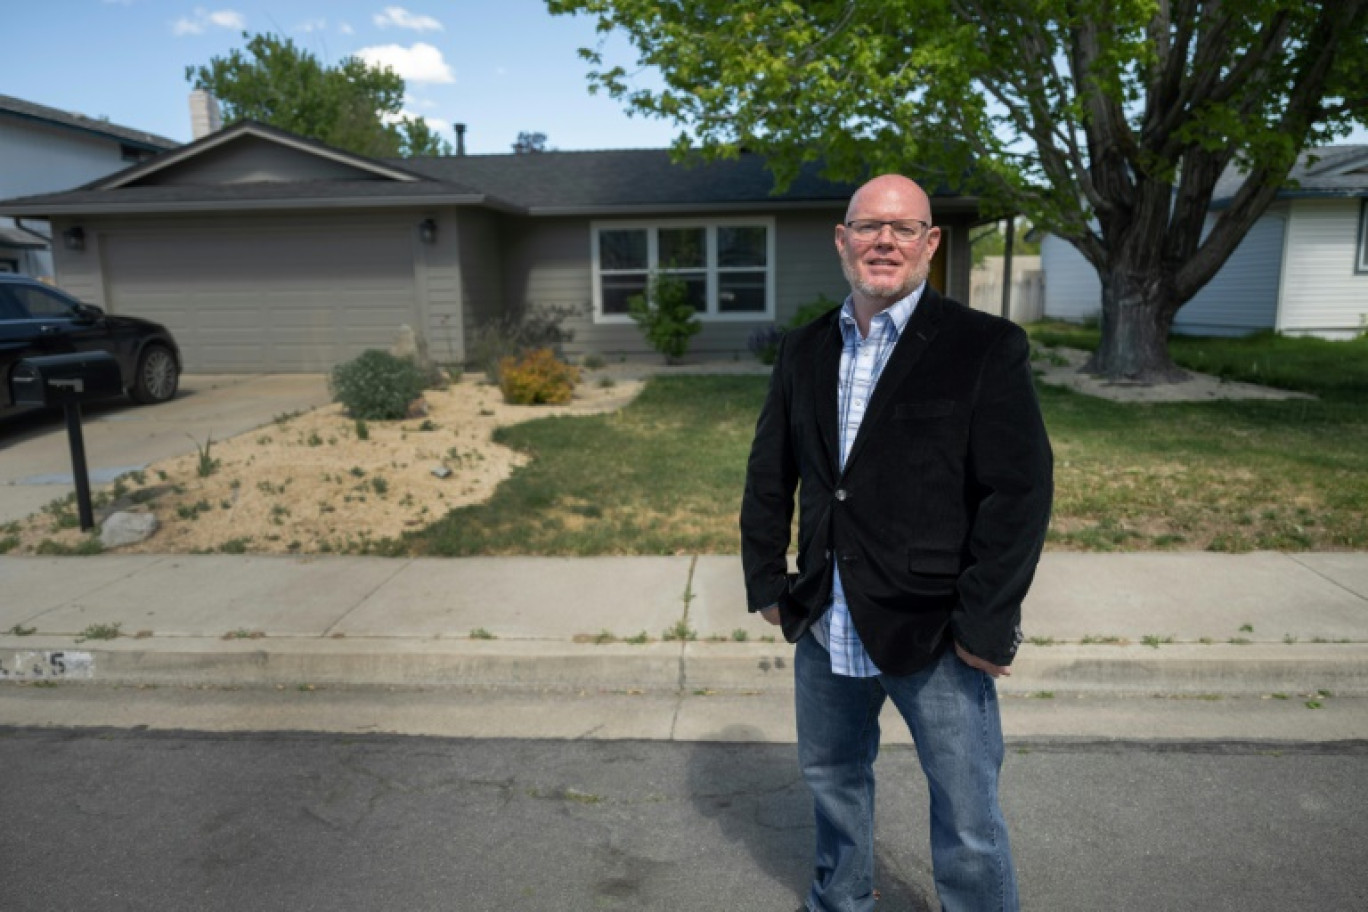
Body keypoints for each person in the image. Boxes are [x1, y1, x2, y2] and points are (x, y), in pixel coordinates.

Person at [740, 174, 1053, 912]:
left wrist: (986, 624)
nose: (885, 241)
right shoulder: (804, 349)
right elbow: (768, 473)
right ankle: (840, 900)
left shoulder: (984, 346)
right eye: (869, 227)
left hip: (936, 629)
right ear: (842, 240)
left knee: (967, 813)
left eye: (904, 228)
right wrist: (768, 585)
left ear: (930, 243)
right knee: (833, 786)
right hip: (824, 618)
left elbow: (1019, 493)